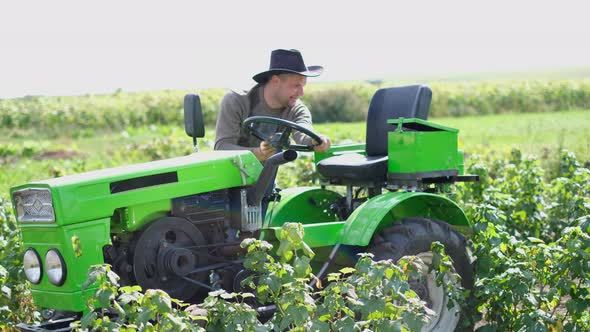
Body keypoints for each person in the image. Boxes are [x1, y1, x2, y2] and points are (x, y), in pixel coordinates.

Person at [214, 49, 332, 161]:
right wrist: (258, 153)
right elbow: (222, 147)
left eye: (303, 86)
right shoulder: (236, 101)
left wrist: (317, 140)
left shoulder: (296, 109)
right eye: (296, 85)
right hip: (229, 179)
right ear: (275, 81)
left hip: (266, 179)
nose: (301, 93)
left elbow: (303, 133)